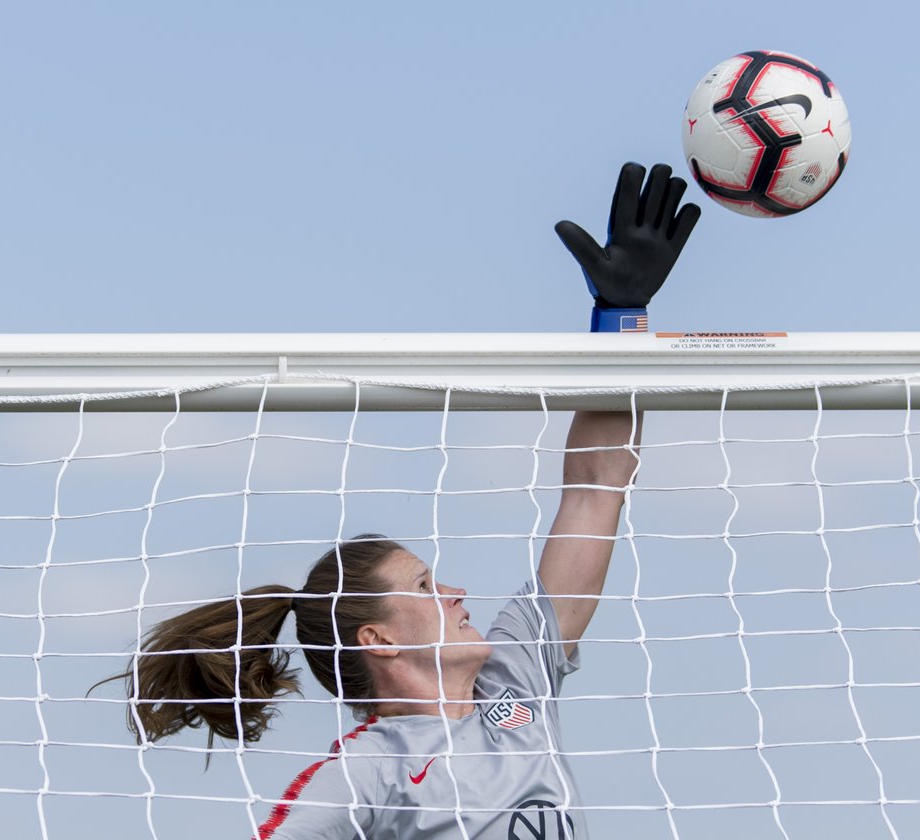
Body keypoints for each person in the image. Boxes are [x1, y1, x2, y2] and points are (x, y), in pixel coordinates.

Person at [103, 161, 699, 839]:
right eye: (423, 584)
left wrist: (622, 318)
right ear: (378, 640)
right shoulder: (365, 773)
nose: (453, 590)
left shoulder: (513, 688)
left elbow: (596, 489)